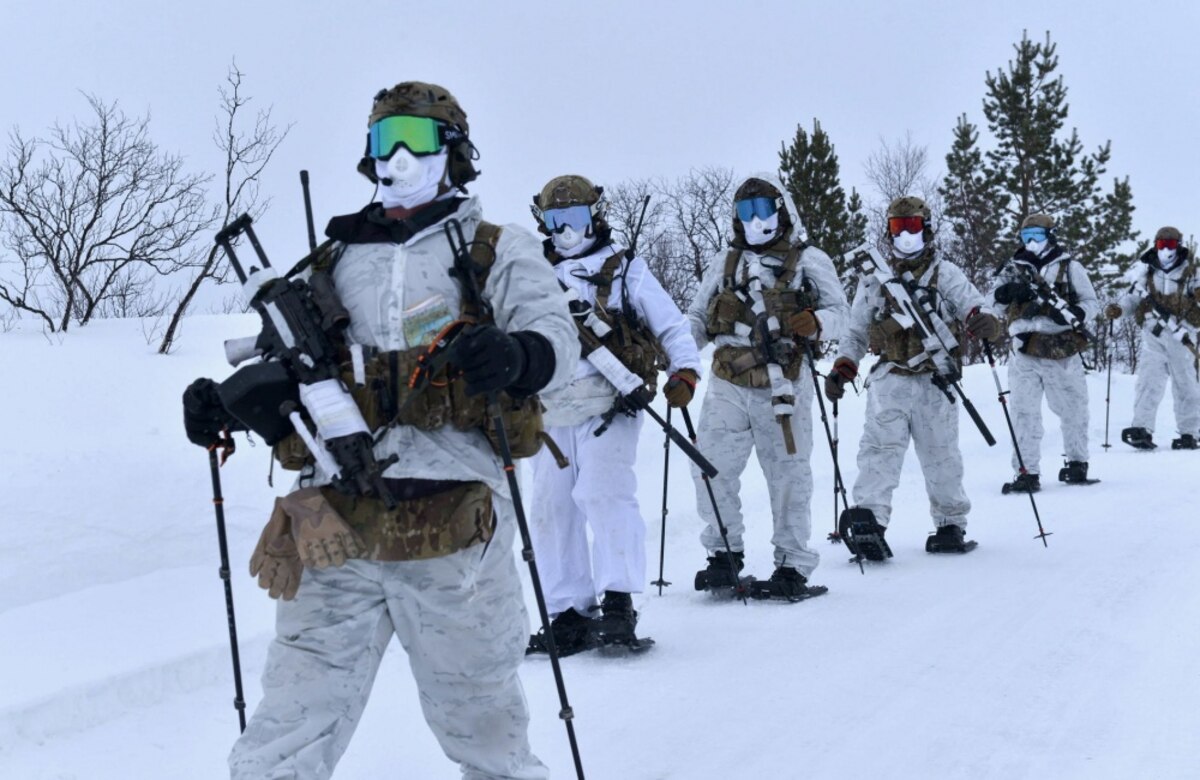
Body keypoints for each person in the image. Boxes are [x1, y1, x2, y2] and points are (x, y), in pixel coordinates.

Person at [183, 81, 577, 780]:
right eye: (381, 140)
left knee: (482, 716)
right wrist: (226, 405)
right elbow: (293, 373)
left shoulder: (496, 249)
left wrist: (518, 357)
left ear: (454, 151)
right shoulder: (334, 261)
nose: (396, 156)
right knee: (293, 715)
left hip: (451, 522)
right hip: (335, 518)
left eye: (416, 139)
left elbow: (557, 342)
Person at [524, 174, 701, 654]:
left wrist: (684, 372)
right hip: (549, 411)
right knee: (550, 508)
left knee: (604, 497)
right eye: (556, 219)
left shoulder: (625, 270)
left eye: (576, 217)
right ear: (543, 221)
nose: (567, 229)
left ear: (595, 215)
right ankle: (568, 612)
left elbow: (671, 325)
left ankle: (618, 602)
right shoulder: (528, 275)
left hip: (611, 401)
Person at [686, 173, 846, 599]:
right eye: (745, 212)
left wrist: (818, 323)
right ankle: (723, 553)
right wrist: (678, 360)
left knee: (788, 474)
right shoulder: (726, 262)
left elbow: (842, 314)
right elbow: (697, 320)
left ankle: (792, 563)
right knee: (709, 464)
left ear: (781, 210)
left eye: (762, 210)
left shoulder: (810, 261)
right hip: (728, 381)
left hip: (784, 383)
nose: (754, 220)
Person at [825, 196, 1001, 557]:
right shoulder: (874, 278)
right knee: (877, 452)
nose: (905, 235)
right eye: (897, 228)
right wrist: (844, 365)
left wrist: (986, 321)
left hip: (935, 379)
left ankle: (951, 523)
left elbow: (972, 304)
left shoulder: (944, 272)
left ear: (927, 228)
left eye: (913, 226)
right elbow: (856, 329)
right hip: (890, 376)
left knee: (940, 455)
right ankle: (869, 522)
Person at [991, 214, 1100, 493]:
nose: (1031, 242)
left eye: (1037, 235)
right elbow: (991, 306)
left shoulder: (1069, 267)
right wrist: (1005, 294)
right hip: (1023, 349)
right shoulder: (1012, 268)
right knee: (1023, 412)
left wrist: (1078, 313)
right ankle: (1026, 472)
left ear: (1051, 235)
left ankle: (1077, 462)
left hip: (1060, 348)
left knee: (1072, 408)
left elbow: (1091, 302)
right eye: (1026, 236)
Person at [1107, 226, 1200, 450]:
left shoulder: (1191, 271)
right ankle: (1142, 428)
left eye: (1170, 245)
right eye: (1161, 244)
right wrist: (1119, 310)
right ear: (1155, 245)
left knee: (1185, 383)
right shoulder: (1147, 272)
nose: (1165, 249)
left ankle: (1190, 432)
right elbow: (1131, 298)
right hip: (1152, 334)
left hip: (1182, 334)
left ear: (1178, 246)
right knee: (1148, 382)